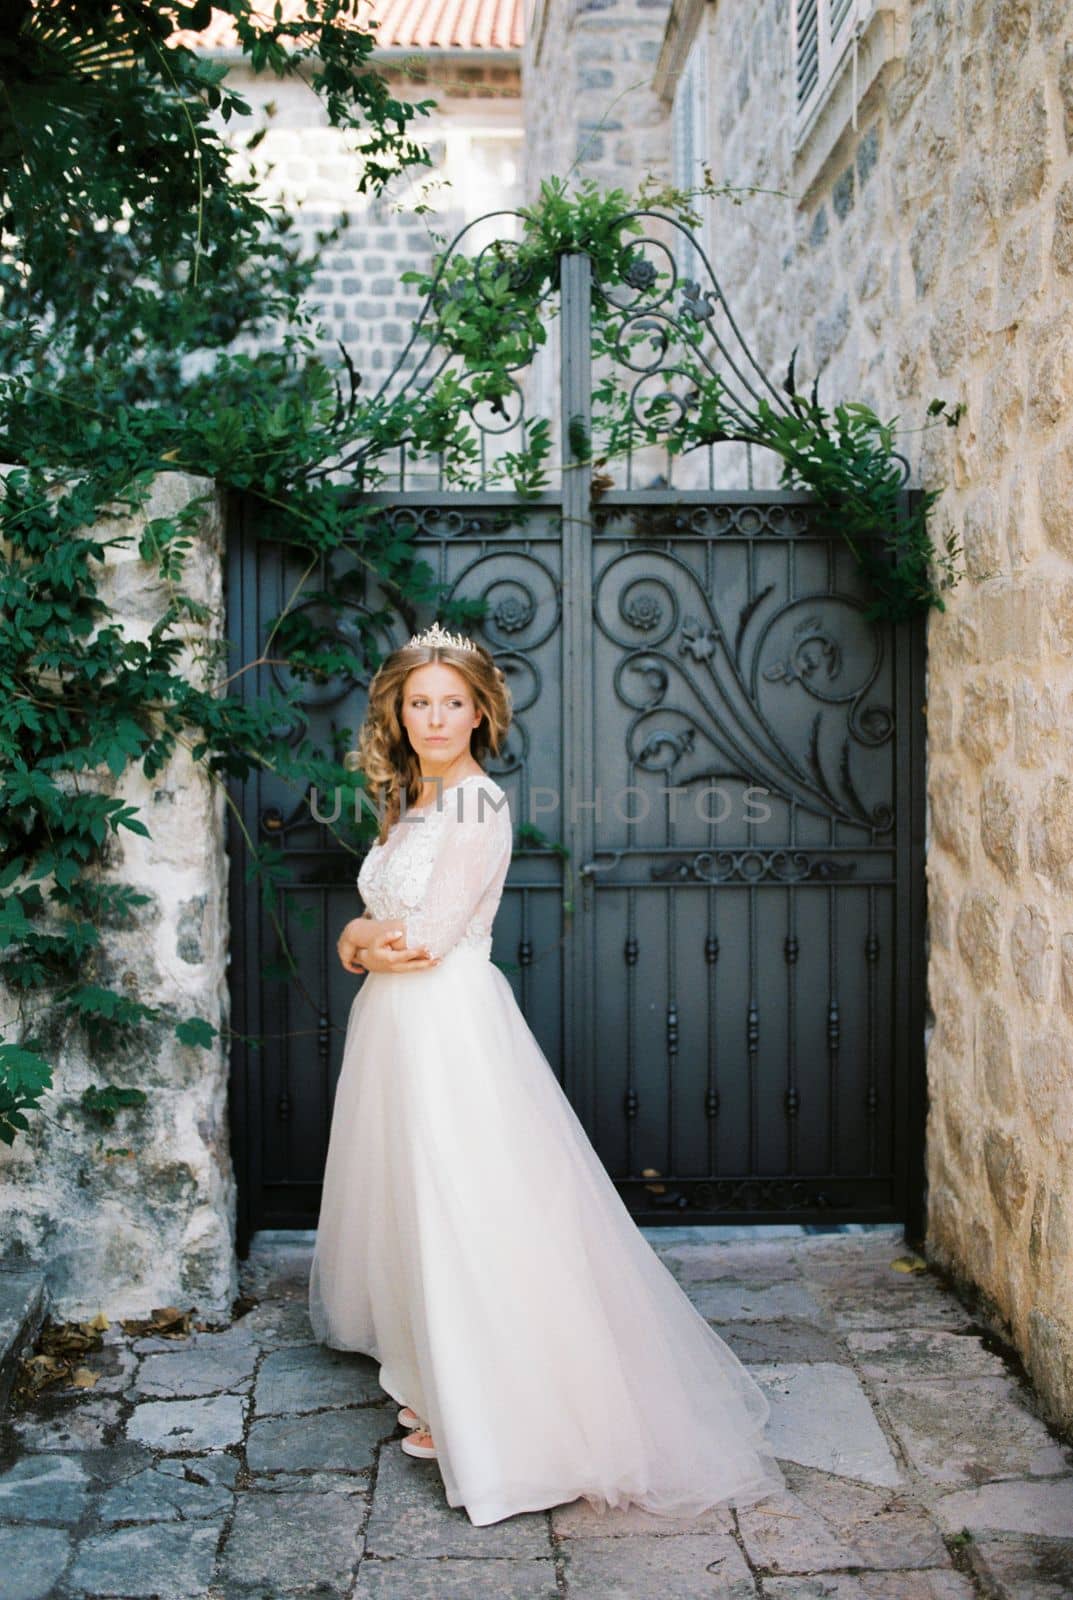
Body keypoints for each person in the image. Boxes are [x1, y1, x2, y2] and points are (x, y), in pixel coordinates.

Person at [307, 619, 784, 1527]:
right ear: (398, 712)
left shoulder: (476, 805)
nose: (435, 718)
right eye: (419, 703)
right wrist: (365, 941)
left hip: (446, 1023)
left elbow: (425, 940)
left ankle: (500, 1411)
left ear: (480, 712)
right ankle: (439, 1372)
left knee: (471, 1205)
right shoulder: (416, 797)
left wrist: (352, 937)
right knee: (420, 1201)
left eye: (452, 703)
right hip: (400, 1026)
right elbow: (391, 927)